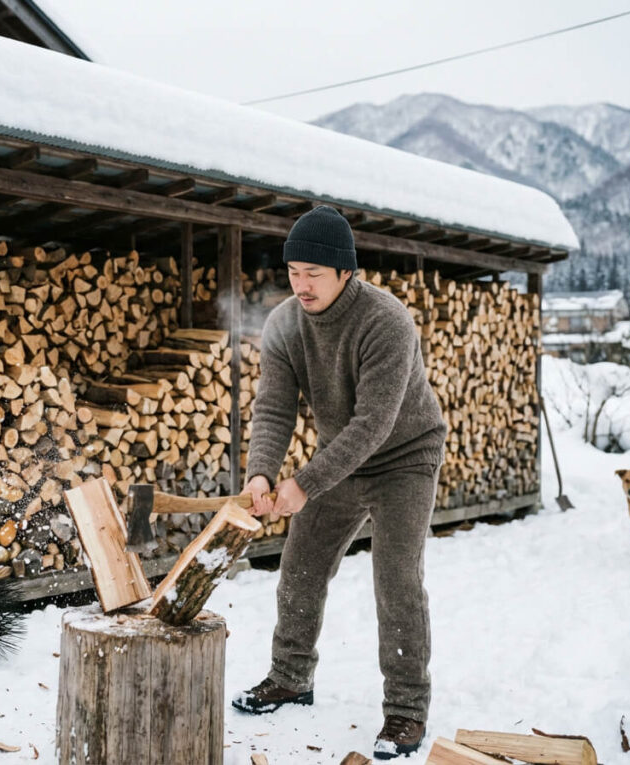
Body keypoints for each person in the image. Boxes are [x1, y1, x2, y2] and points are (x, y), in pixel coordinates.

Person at [231, 205, 447, 760]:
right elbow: (275, 408)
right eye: (293, 271)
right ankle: (291, 677)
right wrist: (260, 472)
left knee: (397, 580)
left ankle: (405, 711)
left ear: (345, 272)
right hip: (339, 458)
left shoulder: (386, 322)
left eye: (314, 273)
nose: (300, 285)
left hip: (404, 458)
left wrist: (303, 482)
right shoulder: (283, 324)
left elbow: (374, 423)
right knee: (300, 566)